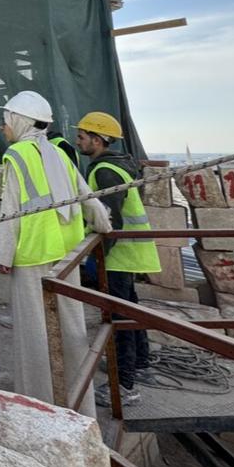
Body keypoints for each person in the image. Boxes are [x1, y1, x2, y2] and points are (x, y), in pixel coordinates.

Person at [0, 90, 112, 418]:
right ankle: (81, 406)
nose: (3, 127)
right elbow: (85, 194)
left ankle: (39, 407)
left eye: (6, 121)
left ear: (20, 121)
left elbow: (10, 210)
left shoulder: (16, 155)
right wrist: (103, 225)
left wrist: (2, 256)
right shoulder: (59, 153)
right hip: (66, 257)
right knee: (72, 331)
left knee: (34, 335)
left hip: (33, 257)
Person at [75, 110, 161, 408]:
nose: (78, 141)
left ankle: (124, 385)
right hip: (130, 252)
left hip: (118, 256)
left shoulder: (104, 172)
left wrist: (95, 259)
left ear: (97, 140)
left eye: (82, 137)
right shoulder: (120, 165)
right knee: (130, 310)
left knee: (119, 319)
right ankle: (140, 365)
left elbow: (109, 221)